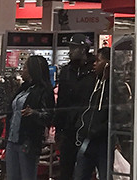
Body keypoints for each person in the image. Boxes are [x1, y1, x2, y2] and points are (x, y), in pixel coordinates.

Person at [74, 47, 130, 180]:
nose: (94, 64)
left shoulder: (117, 87)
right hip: (88, 140)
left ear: (108, 64)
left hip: (105, 142)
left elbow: (121, 115)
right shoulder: (94, 83)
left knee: (105, 175)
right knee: (80, 174)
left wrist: (102, 129)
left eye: (98, 60)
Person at [6, 55, 55, 180]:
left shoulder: (44, 91)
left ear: (33, 70)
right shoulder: (23, 88)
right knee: (12, 176)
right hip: (12, 139)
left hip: (28, 142)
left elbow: (49, 116)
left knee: (27, 176)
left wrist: (34, 113)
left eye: (25, 67)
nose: (22, 70)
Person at [55, 35, 96, 180]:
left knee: (84, 171)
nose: (70, 51)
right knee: (65, 170)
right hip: (68, 130)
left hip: (88, 129)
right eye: (70, 47)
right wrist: (58, 128)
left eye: (74, 47)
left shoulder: (94, 70)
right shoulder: (66, 71)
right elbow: (61, 101)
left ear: (83, 49)